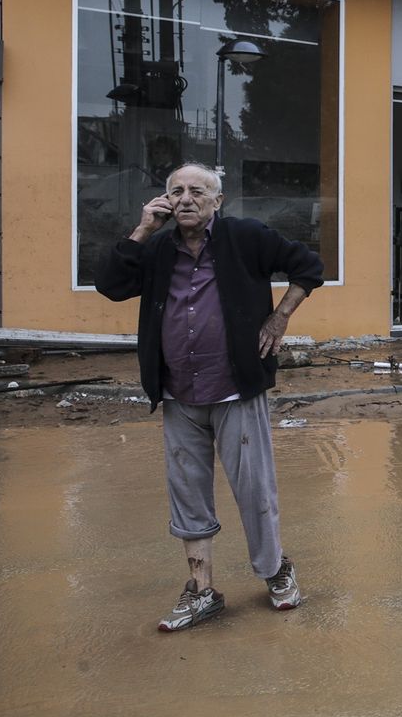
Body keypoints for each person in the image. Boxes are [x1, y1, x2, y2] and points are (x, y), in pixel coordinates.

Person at [94, 162, 323, 632]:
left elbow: (309, 266)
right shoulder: (157, 247)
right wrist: (141, 228)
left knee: (253, 488)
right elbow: (111, 285)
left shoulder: (244, 237)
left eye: (197, 191)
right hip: (179, 392)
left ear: (218, 201)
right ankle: (202, 591)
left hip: (235, 388)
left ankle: (275, 571)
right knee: (187, 495)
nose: (185, 199)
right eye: (176, 191)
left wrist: (279, 317)